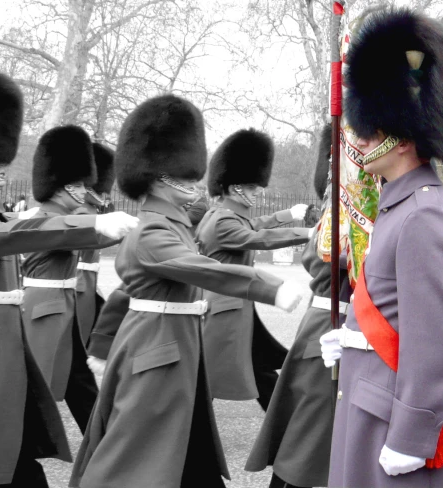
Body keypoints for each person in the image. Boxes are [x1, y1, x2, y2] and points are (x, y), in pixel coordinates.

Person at [69, 94, 305, 488]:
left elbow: (129, 293)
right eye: (185, 174)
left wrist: (103, 342)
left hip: (176, 353)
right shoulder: (153, 229)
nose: (196, 181)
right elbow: (200, 267)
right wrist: (271, 287)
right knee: (129, 461)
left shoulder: (172, 223)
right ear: (161, 175)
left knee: (192, 460)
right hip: (157, 355)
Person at [319, 7, 443, 487]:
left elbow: (433, 341)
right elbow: (390, 308)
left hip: (394, 414)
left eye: (372, 127)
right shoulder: (399, 207)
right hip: (373, 394)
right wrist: (350, 336)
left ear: (404, 137)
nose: (360, 137)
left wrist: (411, 436)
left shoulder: (422, 215)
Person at [0, 68, 137, 488]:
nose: (0, 168)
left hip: (5, 343)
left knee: (18, 451)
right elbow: (1, 236)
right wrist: (92, 226)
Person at [247, 125, 353, 488]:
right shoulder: (339, 207)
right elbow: (323, 254)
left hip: (347, 328)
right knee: (306, 447)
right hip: (330, 326)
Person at [196, 128, 311, 410]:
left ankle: (285, 425)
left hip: (237, 308)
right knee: (206, 380)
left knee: (260, 371)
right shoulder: (224, 221)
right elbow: (256, 238)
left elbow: (255, 226)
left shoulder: (223, 215)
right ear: (236, 188)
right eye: (251, 188)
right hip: (227, 310)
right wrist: (307, 233)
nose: (257, 193)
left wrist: (287, 215)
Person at [21, 125, 119, 434]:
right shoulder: (46, 220)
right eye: (77, 185)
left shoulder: (59, 218)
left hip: (62, 310)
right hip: (44, 312)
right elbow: (85, 237)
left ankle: (102, 439)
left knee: (77, 379)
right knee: (31, 390)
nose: (83, 190)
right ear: (61, 186)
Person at [76, 142, 115, 346]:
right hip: (80, 281)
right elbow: (94, 239)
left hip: (89, 280)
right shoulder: (83, 211)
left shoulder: (91, 209)